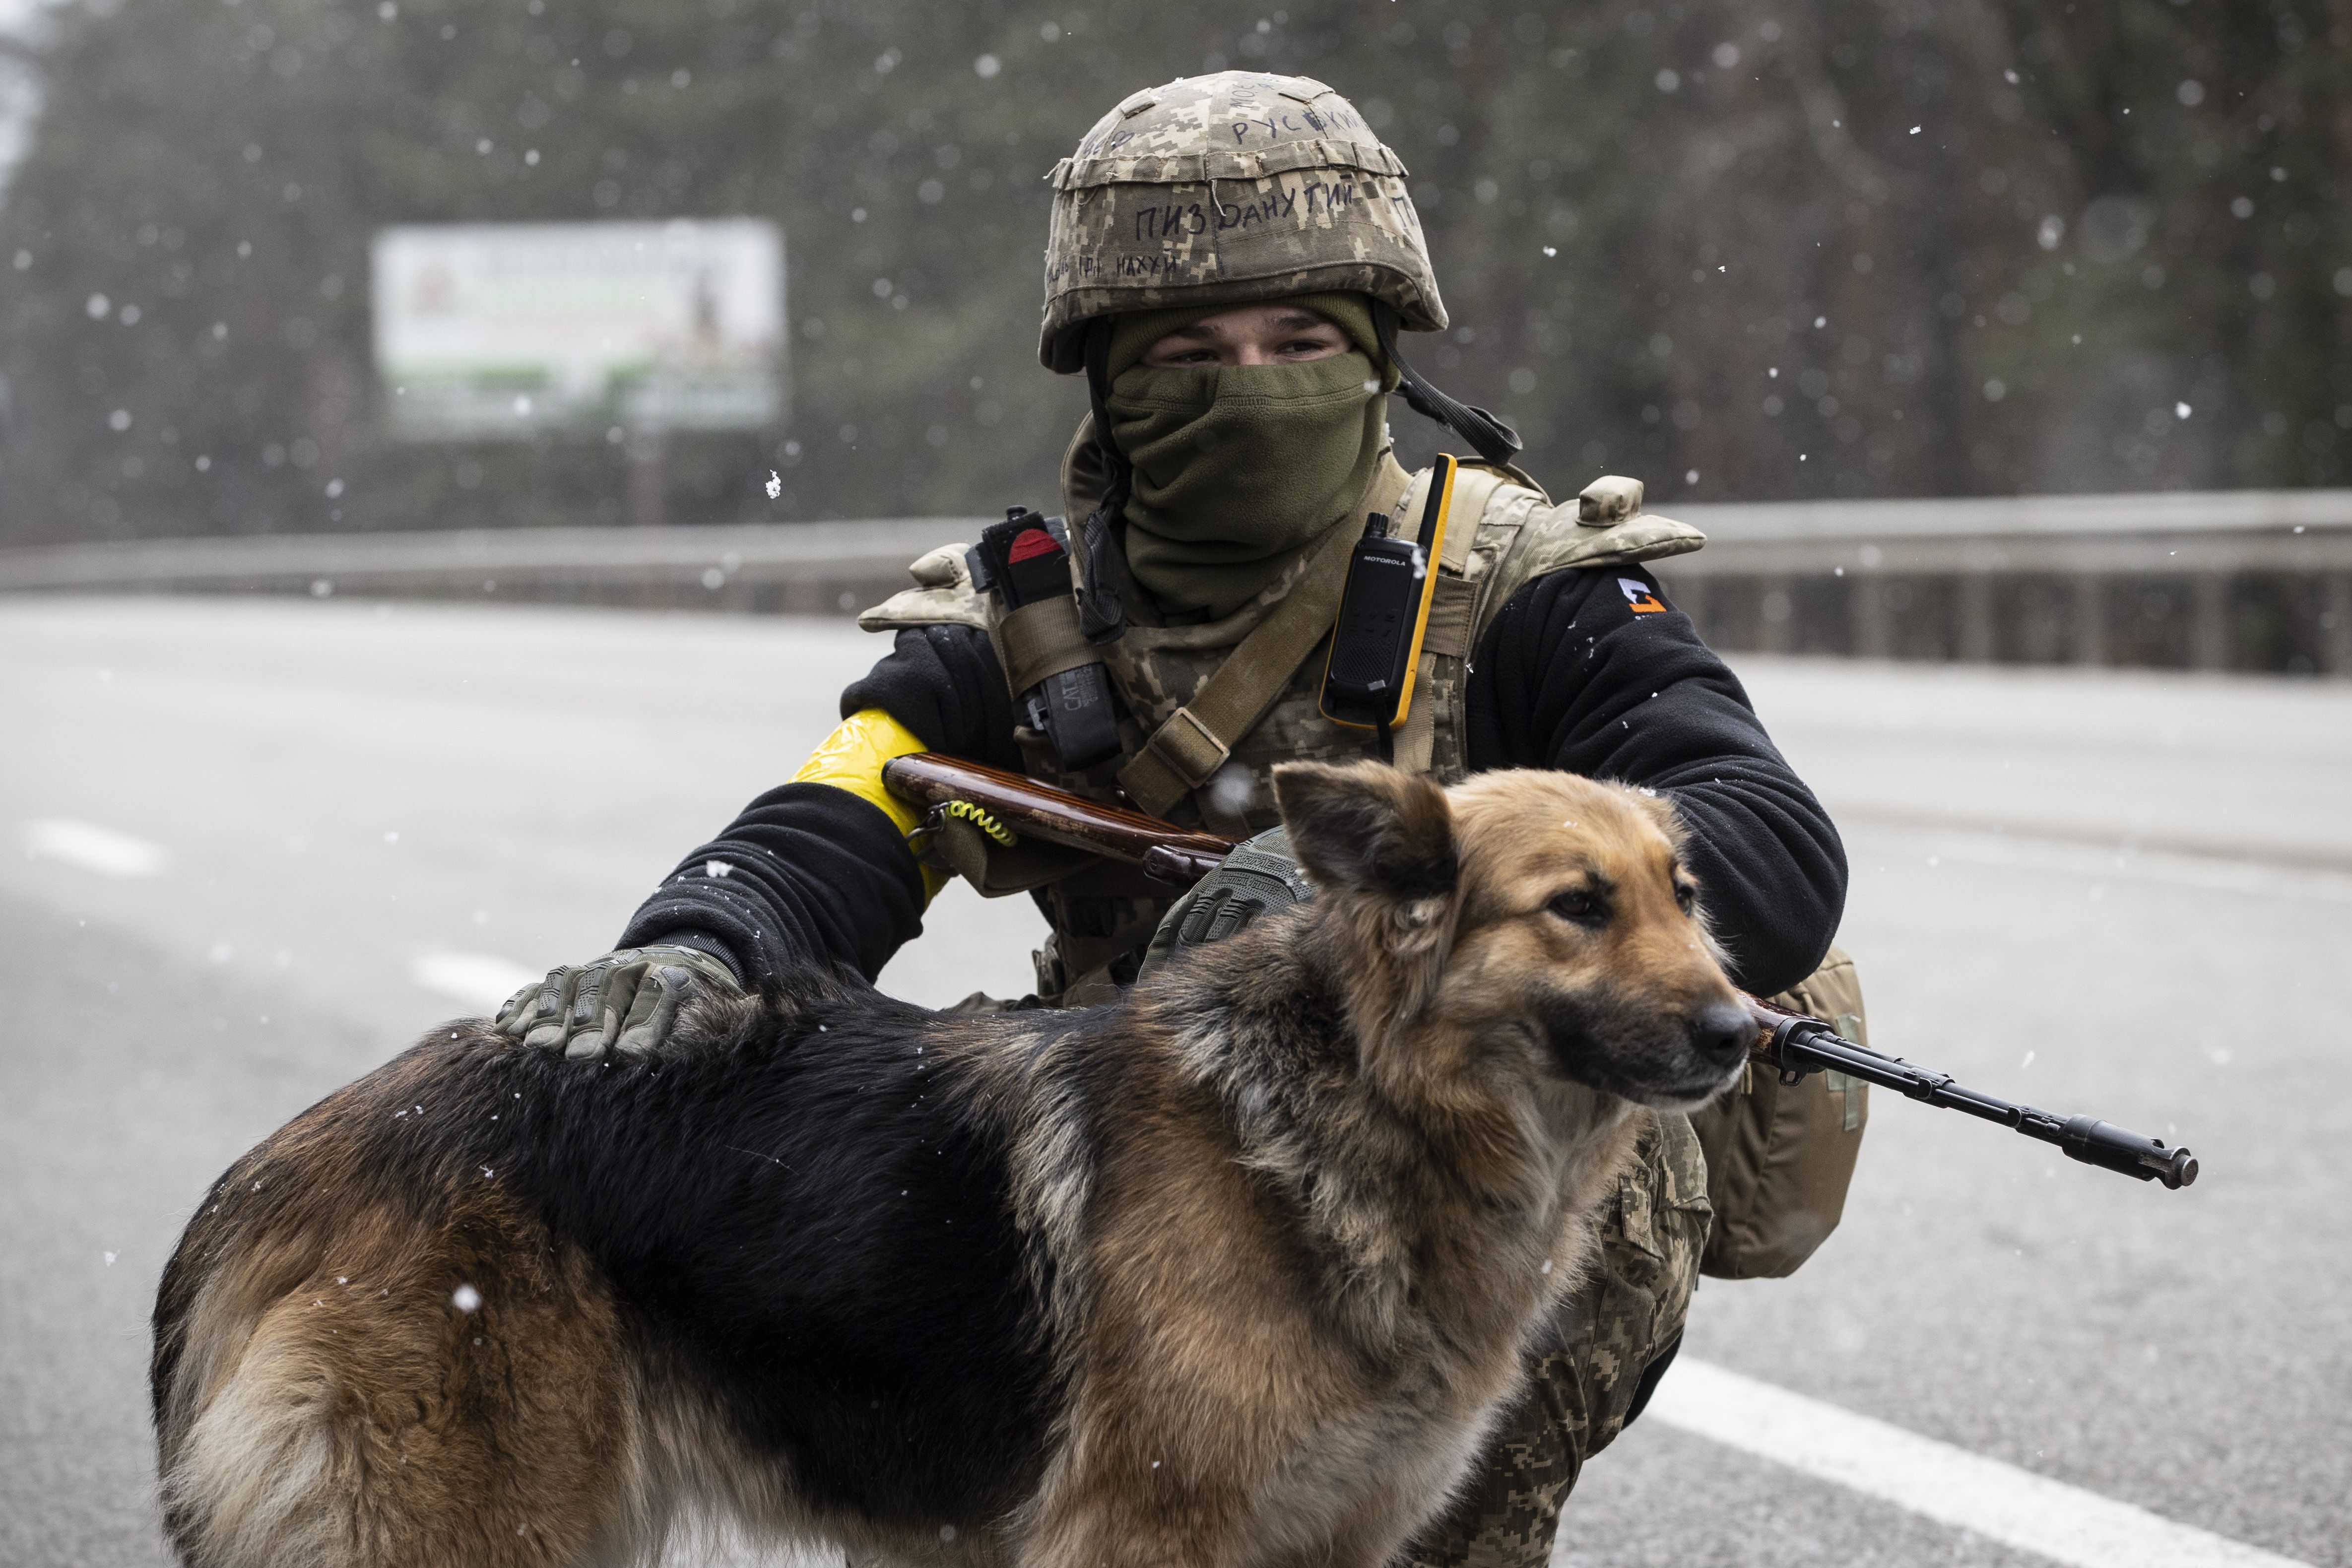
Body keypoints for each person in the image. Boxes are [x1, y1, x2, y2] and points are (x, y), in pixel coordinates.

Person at [498, 71, 1854, 1567]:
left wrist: (1403, 863)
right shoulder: (1020, 612)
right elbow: (843, 814)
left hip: (1473, 1156)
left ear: (1379, 361)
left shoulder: (1532, 582)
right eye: (1189, 350)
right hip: (1149, 1188)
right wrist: (702, 940)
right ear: (1108, 380)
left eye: (1300, 344)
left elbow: (1765, 840)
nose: (1248, 381)